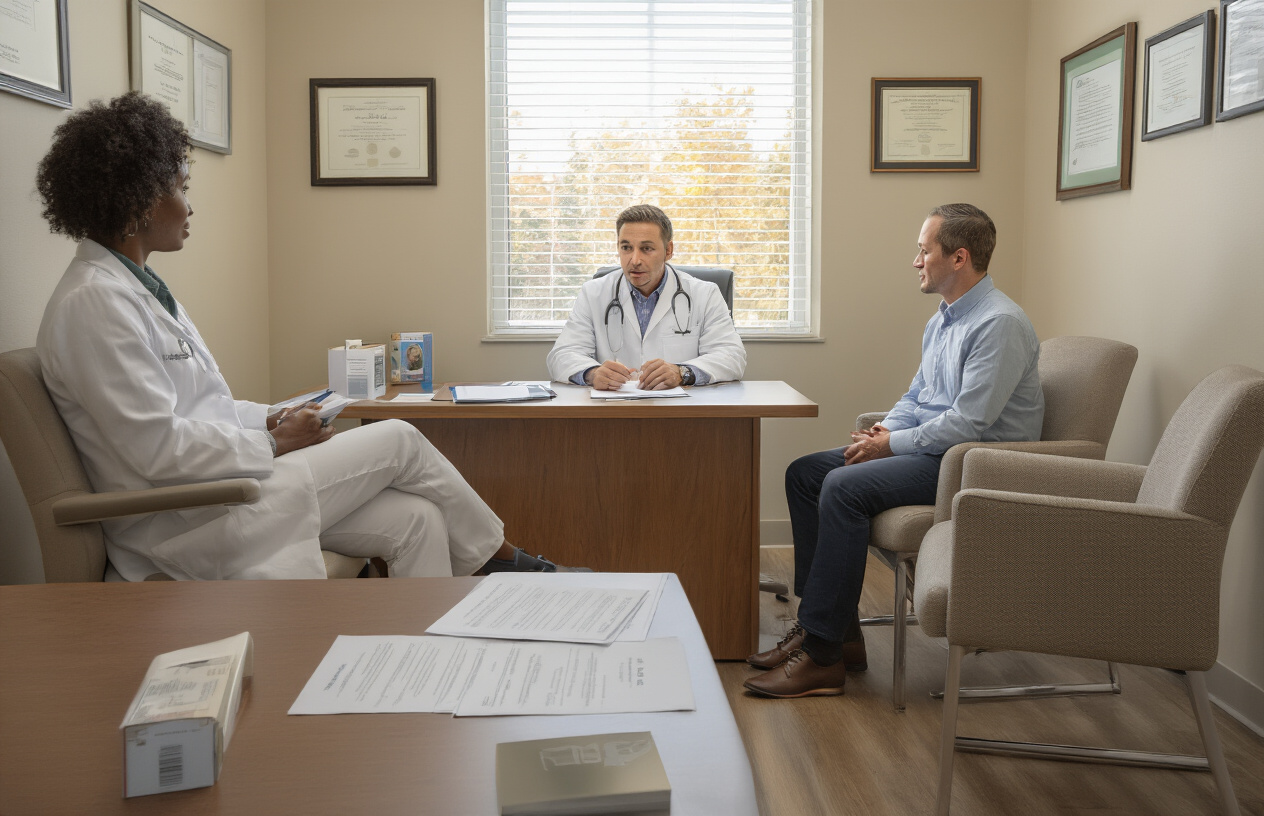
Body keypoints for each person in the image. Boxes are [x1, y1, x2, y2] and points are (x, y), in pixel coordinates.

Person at [34, 92, 584, 581]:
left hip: (222, 487)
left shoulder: (138, 289)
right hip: (187, 517)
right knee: (399, 436)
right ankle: (507, 563)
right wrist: (275, 441)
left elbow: (205, 407)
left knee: (419, 519)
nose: (189, 205)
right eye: (180, 188)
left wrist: (274, 414)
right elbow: (156, 450)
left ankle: (423, 676)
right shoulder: (94, 304)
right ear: (136, 204)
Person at [744, 203, 1044, 698]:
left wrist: (891, 446)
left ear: (959, 257)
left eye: (924, 250)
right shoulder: (943, 320)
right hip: (934, 453)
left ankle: (821, 656)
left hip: (973, 464)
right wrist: (886, 429)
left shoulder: (999, 323)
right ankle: (839, 634)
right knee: (805, 473)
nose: (916, 261)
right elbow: (918, 396)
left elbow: (969, 422)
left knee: (841, 487)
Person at [546, 204, 746, 390]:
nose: (634, 260)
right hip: (613, 411)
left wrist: (682, 372)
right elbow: (561, 355)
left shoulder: (705, 294)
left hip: (682, 413)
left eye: (646, 249)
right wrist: (592, 373)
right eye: (626, 248)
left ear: (668, 250)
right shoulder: (593, 293)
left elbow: (732, 356)